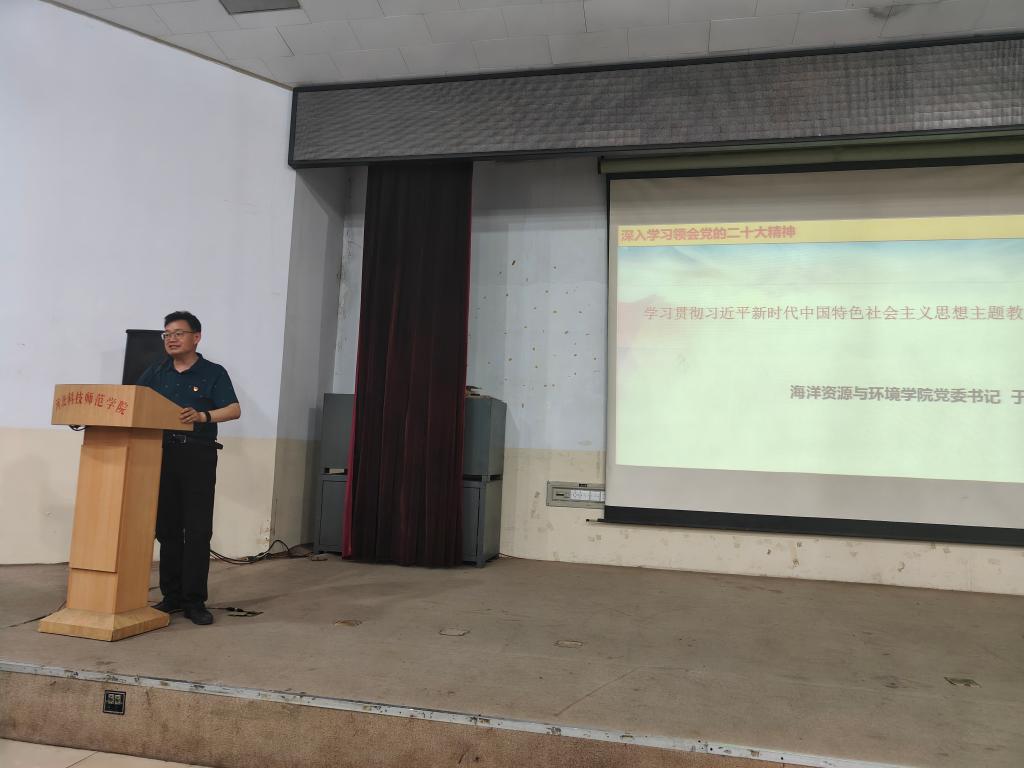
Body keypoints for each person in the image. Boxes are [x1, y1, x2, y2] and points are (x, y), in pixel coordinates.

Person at [137, 311, 240, 625]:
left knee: (196, 530)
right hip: (161, 455)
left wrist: (203, 416)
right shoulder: (156, 372)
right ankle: (171, 597)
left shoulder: (213, 372)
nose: (171, 339)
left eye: (178, 333)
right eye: (167, 334)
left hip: (197, 455)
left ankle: (195, 601)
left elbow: (234, 409)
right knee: (167, 529)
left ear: (196, 337)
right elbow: (135, 403)